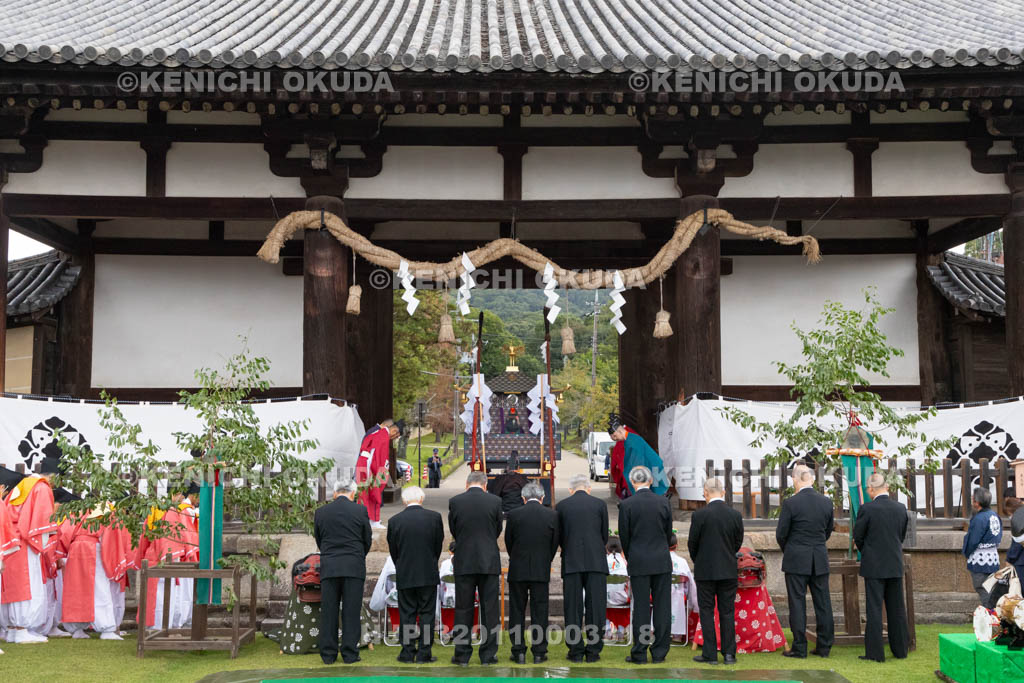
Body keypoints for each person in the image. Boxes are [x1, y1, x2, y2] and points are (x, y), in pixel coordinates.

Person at [776, 464, 835, 658]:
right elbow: (827, 531)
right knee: (823, 602)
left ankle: (800, 647)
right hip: (818, 556)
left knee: (797, 602)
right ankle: (824, 646)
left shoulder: (791, 503)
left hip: (796, 557)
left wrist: (791, 549)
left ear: (795, 479)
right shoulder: (826, 502)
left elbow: (781, 534)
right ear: (811, 478)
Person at [314, 477, 372, 665]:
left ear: (335, 492)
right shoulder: (360, 510)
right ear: (353, 493)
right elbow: (367, 539)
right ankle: (349, 652)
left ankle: (328, 654)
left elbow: (319, 538)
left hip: (330, 565)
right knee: (351, 610)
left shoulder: (321, 512)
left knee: (329, 610)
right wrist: (358, 555)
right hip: (353, 565)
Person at [618, 465, 673, 664]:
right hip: (660, 558)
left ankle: (640, 652)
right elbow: (668, 533)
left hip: (639, 559)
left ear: (633, 482)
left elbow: (624, 536)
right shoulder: (663, 503)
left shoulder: (627, 505)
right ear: (650, 481)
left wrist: (631, 555)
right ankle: (659, 652)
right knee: (662, 607)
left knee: (640, 607)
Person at [447, 470, 503, 666]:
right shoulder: (495, 502)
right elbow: (497, 530)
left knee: (463, 608)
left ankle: (462, 654)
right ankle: (488, 655)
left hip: (465, 560)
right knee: (490, 609)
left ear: (466, 483)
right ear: (485, 485)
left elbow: (454, 529)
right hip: (488, 560)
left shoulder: (455, 502)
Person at [1, 459, 59, 643]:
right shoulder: (41, 487)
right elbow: (41, 519)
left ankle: (11, 629)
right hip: (26, 542)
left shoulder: (20, 486)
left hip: (12, 539)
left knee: (13, 585)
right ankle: (21, 628)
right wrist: (42, 543)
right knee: (27, 584)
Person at [853, 472, 909, 663]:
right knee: (897, 608)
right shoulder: (901, 508)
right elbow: (901, 536)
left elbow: (858, 537)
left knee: (874, 609)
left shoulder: (866, 509)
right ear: (887, 487)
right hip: (894, 562)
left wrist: (867, 551)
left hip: (874, 564)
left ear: (870, 489)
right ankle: (901, 649)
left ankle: (875, 653)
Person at [688, 477, 743, 665]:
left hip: (705, 570)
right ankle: (729, 654)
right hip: (728, 569)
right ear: (724, 492)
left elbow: (692, 544)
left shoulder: (699, 515)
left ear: (705, 492)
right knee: (727, 611)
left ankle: (710, 653)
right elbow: (737, 542)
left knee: (706, 611)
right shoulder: (735, 515)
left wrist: (700, 560)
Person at [387, 485, 444, 663]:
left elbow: (393, 549)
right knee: (427, 613)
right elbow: (438, 545)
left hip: (406, 572)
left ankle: (407, 651)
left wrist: (402, 565)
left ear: (404, 500)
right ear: (421, 499)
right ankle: (424, 652)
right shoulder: (434, 518)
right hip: (427, 571)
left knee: (407, 613)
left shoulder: (395, 521)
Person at [58, 506, 133, 640]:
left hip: (75, 549)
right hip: (94, 549)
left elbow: (65, 532)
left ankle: (76, 628)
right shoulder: (107, 512)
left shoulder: (81, 513)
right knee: (99, 588)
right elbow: (111, 538)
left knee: (76, 589)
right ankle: (106, 629)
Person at [556, 473, 609, 663]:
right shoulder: (600, 505)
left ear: (571, 490)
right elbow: (604, 535)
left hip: (571, 560)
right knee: (596, 606)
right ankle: (594, 650)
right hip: (596, 561)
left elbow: (560, 536)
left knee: (573, 607)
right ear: (589, 488)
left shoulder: (562, 506)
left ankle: (575, 650)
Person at [504, 480, 558, 664]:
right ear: (542, 498)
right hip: (540, 569)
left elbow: (508, 541)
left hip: (518, 569)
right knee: (540, 610)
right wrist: (545, 561)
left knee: (517, 610)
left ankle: (518, 650)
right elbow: (554, 544)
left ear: (523, 498)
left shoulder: (514, 515)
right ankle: (539, 651)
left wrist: (517, 558)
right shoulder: (551, 515)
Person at [609, 414, 668, 496]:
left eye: (615, 436)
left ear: (620, 431)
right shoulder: (631, 438)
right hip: (654, 467)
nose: (616, 439)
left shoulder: (633, 442)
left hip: (654, 469)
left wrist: (634, 480)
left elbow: (638, 464)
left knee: (655, 496)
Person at [962, 486, 1002, 607]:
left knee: (982, 588)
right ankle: (993, 614)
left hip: (981, 559)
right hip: (993, 557)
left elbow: (973, 541)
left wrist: (966, 553)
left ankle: (990, 615)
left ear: (977, 502)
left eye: (973, 499)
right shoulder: (995, 515)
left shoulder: (979, 518)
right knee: (992, 588)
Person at [357, 419, 400, 530]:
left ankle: (367, 520)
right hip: (369, 465)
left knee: (365, 495)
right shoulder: (383, 436)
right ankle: (373, 521)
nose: (394, 437)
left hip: (365, 463)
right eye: (396, 435)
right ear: (394, 430)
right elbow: (378, 456)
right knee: (373, 494)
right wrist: (380, 473)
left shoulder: (378, 433)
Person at [667, 535, 697, 643]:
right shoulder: (682, 561)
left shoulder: (658, 560)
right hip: (678, 594)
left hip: (661, 593)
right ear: (677, 546)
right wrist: (693, 602)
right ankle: (677, 636)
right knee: (678, 597)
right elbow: (691, 583)